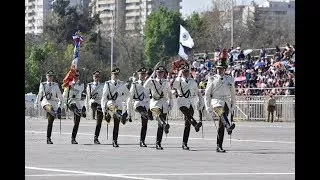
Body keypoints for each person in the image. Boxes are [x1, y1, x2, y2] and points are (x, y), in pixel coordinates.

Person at [204, 60, 236, 153]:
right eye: (218, 68)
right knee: (221, 113)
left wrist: (233, 105)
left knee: (221, 125)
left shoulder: (229, 79)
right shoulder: (212, 79)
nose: (219, 70)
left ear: (225, 69)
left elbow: (233, 94)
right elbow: (207, 94)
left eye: (221, 68)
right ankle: (228, 126)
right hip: (216, 101)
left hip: (226, 102)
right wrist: (207, 106)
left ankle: (219, 146)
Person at [172, 64, 203, 150]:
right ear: (181, 72)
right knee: (187, 114)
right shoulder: (179, 80)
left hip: (191, 103)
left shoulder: (193, 81)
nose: (186, 73)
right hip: (181, 101)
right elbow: (174, 85)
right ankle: (195, 124)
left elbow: (198, 92)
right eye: (184, 71)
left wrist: (201, 102)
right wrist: (178, 75)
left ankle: (184, 143)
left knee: (187, 124)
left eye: (187, 71)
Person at [144, 65, 172, 150]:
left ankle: (158, 143)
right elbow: (145, 86)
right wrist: (151, 75)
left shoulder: (166, 82)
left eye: (162, 72)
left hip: (163, 103)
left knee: (160, 126)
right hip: (154, 102)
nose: (160, 74)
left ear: (164, 73)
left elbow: (169, 93)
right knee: (158, 115)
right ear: (156, 73)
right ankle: (164, 124)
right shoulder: (152, 81)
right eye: (159, 72)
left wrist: (170, 103)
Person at [101, 67, 129, 147]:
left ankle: (115, 140)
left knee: (116, 125)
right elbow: (104, 97)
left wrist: (121, 98)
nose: (115, 76)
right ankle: (122, 118)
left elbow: (127, 94)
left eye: (117, 74)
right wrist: (104, 110)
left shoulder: (121, 84)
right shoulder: (108, 84)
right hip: (110, 103)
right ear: (111, 75)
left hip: (119, 104)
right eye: (114, 74)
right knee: (114, 110)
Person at [34, 70, 63, 144]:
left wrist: (61, 105)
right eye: (48, 76)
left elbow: (59, 95)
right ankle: (55, 112)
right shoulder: (43, 85)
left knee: (50, 122)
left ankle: (48, 138)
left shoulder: (55, 85)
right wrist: (36, 103)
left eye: (51, 76)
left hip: (53, 103)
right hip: (45, 102)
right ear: (46, 77)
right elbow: (39, 94)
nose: (50, 77)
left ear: (52, 77)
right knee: (50, 109)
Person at [127, 67, 150, 147]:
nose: (143, 75)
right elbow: (129, 98)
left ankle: (142, 141)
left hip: (146, 105)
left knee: (145, 123)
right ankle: (142, 141)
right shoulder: (135, 84)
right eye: (141, 74)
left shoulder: (148, 83)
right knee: (144, 114)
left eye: (144, 74)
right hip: (138, 104)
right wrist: (129, 113)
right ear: (138, 75)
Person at [62, 69, 86, 144]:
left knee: (76, 123)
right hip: (71, 101)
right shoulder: (68, 83)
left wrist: (71, 84)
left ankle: (73, 138)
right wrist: (62, 104)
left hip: (78, 101)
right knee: (73, 105)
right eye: (75, 76)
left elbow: (80, 89)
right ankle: (80, 111)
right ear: (72, 76)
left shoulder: (81, 84)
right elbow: (65, 94)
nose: (76, 77)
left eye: (77, 76)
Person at [85, 70, 104, 144]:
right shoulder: (89, 85)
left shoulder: (103, 85)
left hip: (100, 103)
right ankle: (94, 111)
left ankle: (96, 137)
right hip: (93, 102)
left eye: (98, 76)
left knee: (99, 122)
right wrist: (87, 107)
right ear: (93, 77)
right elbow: (88, 97)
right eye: (95, 76)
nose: (96, 78)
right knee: (93, 103)